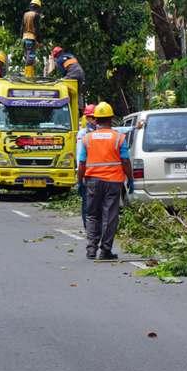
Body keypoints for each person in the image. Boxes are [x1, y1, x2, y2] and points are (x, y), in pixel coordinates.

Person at [77, 101, 132, 260]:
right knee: (110, 215)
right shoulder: (119, 138)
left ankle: (91, 249)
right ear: (111, 118)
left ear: (95, 119)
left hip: (92, 181)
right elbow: (125, 161)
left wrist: (80, 182)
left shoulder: (87, 139)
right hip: (113, 182)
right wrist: (130, 179)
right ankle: (105, 250)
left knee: (92, 215)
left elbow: (81, 163)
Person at [75, 104, 97, 231]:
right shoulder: (83, 133)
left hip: (98, 175)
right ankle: (88, 227)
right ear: (87, 118)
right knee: (87, 204)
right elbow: (80, 157)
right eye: (91, 117)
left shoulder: (102, 131)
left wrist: (134, 127)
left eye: (95, 117)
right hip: (86, 174)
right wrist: (80, 177)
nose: (94, 120)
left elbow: (119, 130)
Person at [22, 0, 43, 70]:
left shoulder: (25, 14)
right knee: (30, 58)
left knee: (27, 57)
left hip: (24, 38)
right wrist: (39, 41)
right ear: (38, 7)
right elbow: (37, 29)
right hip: (31, 38)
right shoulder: (36, 15)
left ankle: (27, 74)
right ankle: (28, 77)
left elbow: (22, 27)